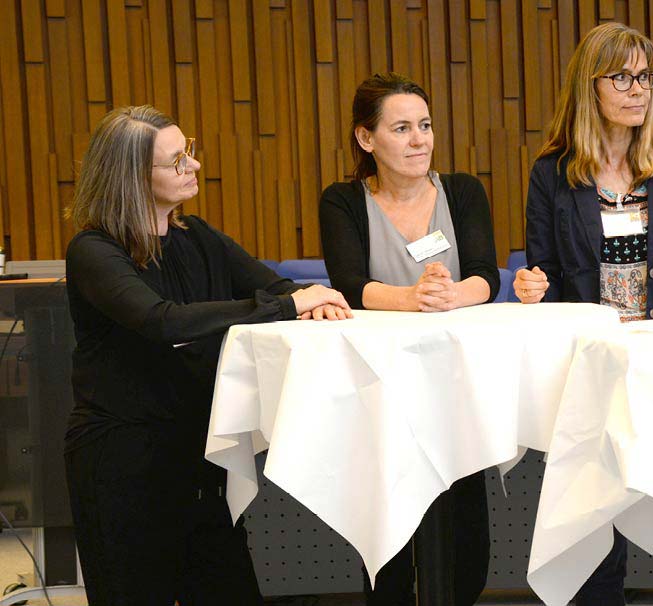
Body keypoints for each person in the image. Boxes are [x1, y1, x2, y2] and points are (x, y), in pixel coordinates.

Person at [64, 105, 352, 605]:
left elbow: (277, 286)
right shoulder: (93, 251)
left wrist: (311, 302)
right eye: (176, 161)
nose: (194, 167)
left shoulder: (197, 238)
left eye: (188, 152)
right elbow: (162, 321)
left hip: (197, 453)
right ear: (133, 176)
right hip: (123, 459)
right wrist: (286, 305)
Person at [512, 22, 653, 605]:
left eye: (646, 76)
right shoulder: (552, 174)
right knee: (596, 556)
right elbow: (547, 280)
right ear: (590, 86)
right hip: (590, 375)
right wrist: (533, 290)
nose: (639, 90)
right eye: (623, 77)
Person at [319, 72, 499, 605]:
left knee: (466, 531)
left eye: (424, 125)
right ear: (366, 139)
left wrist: (452, 295)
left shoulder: (462, 190)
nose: (419, 139)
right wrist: (412, 297)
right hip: (381, 389)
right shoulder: (343, 201)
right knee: (390, 537)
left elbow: (486, 274)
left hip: (454, 387)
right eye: (402, 128)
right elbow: (349, 287)